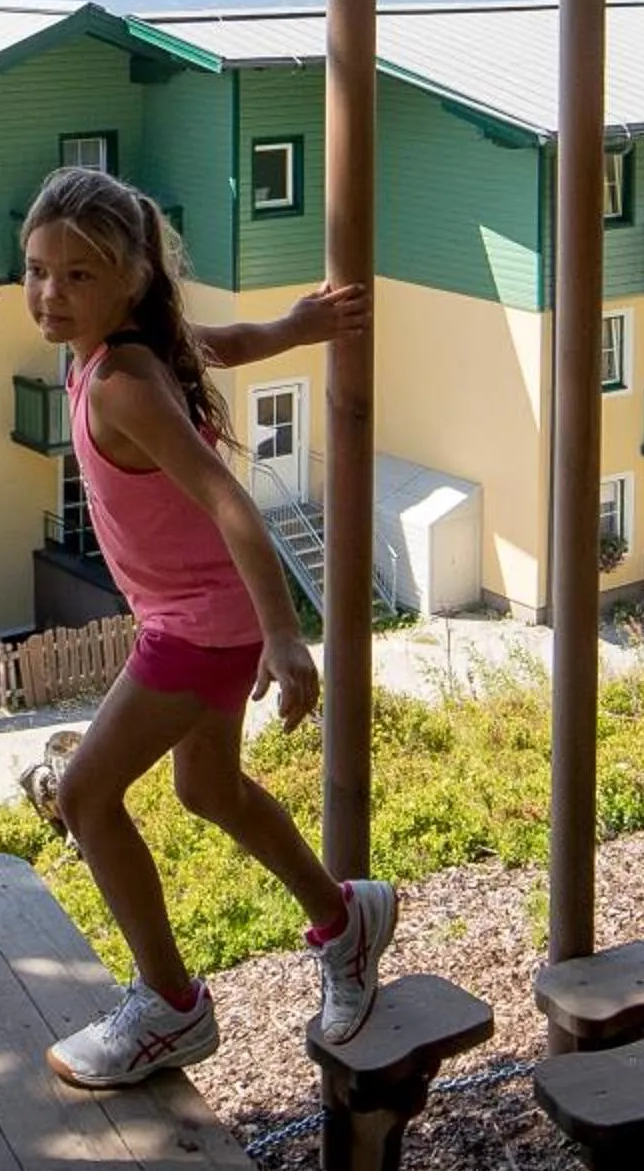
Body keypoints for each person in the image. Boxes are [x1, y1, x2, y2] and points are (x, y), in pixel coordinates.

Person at [22, 166, 395, 1087]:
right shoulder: (123, 351)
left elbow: (232, 502)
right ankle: (344, 921)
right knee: (210, 792)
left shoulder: (119, 382)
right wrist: (295, 329)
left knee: (84, 798)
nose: (51, 294)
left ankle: (170, 1007)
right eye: (37, 269)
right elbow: (212, 343)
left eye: (78, 275)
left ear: (130, 280)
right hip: (199, 616)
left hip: (202, 626)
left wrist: (284, 636)